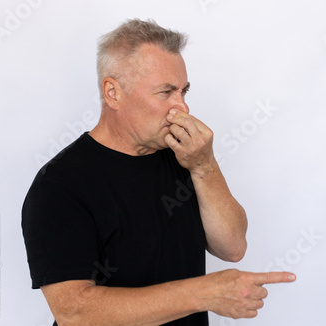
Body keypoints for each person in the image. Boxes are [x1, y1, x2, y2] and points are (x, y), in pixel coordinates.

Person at [22, 18, 295, 326]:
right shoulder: (60, 184)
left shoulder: (185, 155)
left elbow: (232, 247)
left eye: (183, 91)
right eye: (166, 92)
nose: (182, 108)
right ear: (113, 92)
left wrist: (204, 166)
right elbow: (74, 312)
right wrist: (203, 293)